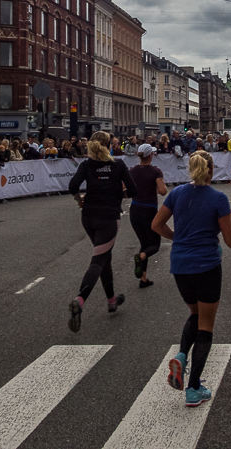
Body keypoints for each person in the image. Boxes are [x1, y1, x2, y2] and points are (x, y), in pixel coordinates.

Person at [151, 151, 231, 407]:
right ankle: (194, 388)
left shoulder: (177, 193)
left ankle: (181, 354)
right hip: (207, 265)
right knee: (206, 325)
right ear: (211, 170)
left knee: (195, 313)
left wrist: (177, 239)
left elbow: (156, 224)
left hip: (180, 264)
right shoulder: (218, 198)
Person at [67, 131, 137, 332]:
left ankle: (112, 300)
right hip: (109, 216)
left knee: (104, 256)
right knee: (98, 260)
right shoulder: (118, 165)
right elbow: (133, 191)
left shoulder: (87, 165)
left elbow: (73, 185)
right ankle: (80, 300)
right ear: (109, 145)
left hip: (88, 216)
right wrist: (118, 193)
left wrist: (79, 200)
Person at [128, 144, 168, 288]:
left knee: (144, 243)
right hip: (149, 210)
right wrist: (161, 189)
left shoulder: (132, 170)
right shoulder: (155, 171)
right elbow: (163, 191)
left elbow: (124, 190)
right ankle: (142, 257)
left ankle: (143, 279)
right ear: (151, 155)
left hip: (134, 209)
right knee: (154, 245)